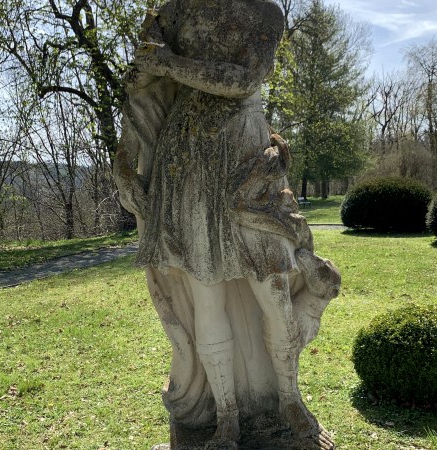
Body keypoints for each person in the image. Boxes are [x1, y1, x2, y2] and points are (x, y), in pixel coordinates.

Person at [114, 1, 340, 449]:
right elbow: (141, 90)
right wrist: (127, 161)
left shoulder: (265, 13)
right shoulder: (174, 11)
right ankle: (227, 418)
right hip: (187, 166)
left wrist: (167, 63)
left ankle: (288, 399)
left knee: (274, 291)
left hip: (246, 163)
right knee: (206, 299)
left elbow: (243, 81)